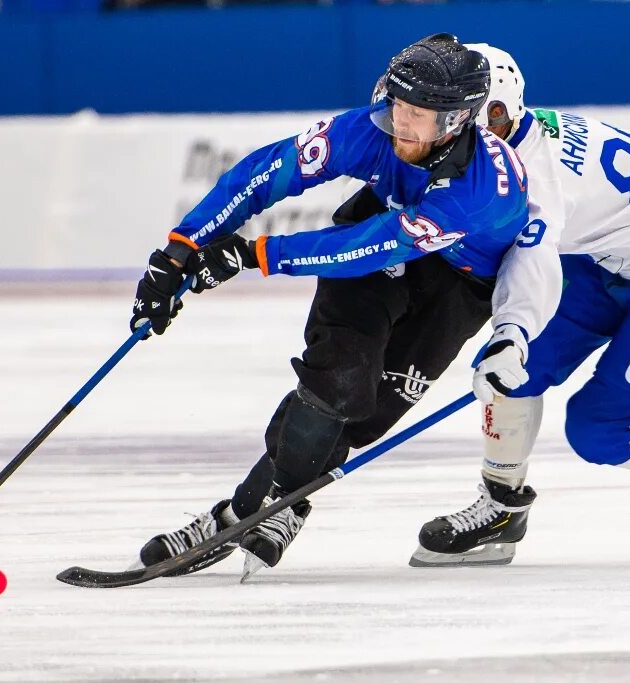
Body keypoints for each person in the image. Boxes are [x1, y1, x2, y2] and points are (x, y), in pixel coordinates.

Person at [128, 34, 560, 580]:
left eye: (419, 114)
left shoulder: (479, 191)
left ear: (455, 122)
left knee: (364, 421)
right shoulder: (374, 127)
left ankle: (240, 513)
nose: (401, 122)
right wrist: (181, 248)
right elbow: (271, 170)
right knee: (337, 381)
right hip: (376, 243)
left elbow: (373, 243)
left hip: (453, 281)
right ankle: (280, 504)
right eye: (398, 104)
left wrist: (255, 254)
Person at [410, 44, 630, 567]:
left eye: (473, 117)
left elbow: (531, 264)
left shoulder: (537, 179)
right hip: (607, 258)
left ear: (501, 113)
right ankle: (501, 506)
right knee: (512, 372)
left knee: (598, 431)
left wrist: (510, 332)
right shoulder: (517, 140)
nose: (456, 132)